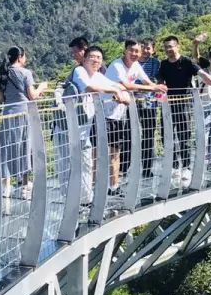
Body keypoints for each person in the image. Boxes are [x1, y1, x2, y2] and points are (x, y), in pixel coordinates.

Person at [70, 45, 131, 204]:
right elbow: (89, 87)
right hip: (69, 127)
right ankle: (76, 202)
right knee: (73, 165)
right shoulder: (80, 71)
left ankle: (86, 199)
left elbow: (116, 85)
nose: (96, 60)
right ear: (84, 59)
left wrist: (122, 92)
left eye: (99, 58)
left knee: (87, 162)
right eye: (92, 57)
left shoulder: (97, 75)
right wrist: (116, 92)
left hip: (84, 127)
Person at [105, 40, 168, 190]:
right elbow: (127, 85)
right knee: (109, 150)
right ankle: (107, 186)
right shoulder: (117, 65)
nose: (134, 54)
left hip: (120, 110)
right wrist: (153, 89)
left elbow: (146, 80)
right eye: (131, 50)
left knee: (117, 147)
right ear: (125, 50)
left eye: (137, 51)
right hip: (106, 111)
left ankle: (113, 185)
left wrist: (158, 87)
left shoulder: (135, 65)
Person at [0, 46, 48, 204]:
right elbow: (32, 96)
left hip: (8, 114)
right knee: (25, 147)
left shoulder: (3, 73)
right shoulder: (25, 73)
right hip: (24, 114)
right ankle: (24, 186)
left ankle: (6, 187)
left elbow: (0, 98)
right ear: (20, 57)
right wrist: (42, 87)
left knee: (7, 148)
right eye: (24, 56)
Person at [157, 36, 201, 178]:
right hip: (168, 104)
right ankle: (174, 166)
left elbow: (200, 72)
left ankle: (186, 167)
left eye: (171, 46)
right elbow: (160, 80)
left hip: (184, 104)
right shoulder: (163, 64)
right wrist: (160, 91)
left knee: (184, 136)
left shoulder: (186, 61)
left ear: (177, 46)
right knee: (166, 135)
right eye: (166, 47)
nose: (168, 49)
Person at [136, 38, 162, 180]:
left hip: (150, 103)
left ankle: (147, 168)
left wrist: (158, 98)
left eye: (148, 48)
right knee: (129, 135)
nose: (145, 51)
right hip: (132, 102)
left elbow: (160, 81)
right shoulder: (133, 62)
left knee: (148, 135)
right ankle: (125, 168)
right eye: (143, 47)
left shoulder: (156, 63)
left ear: (153, 50)